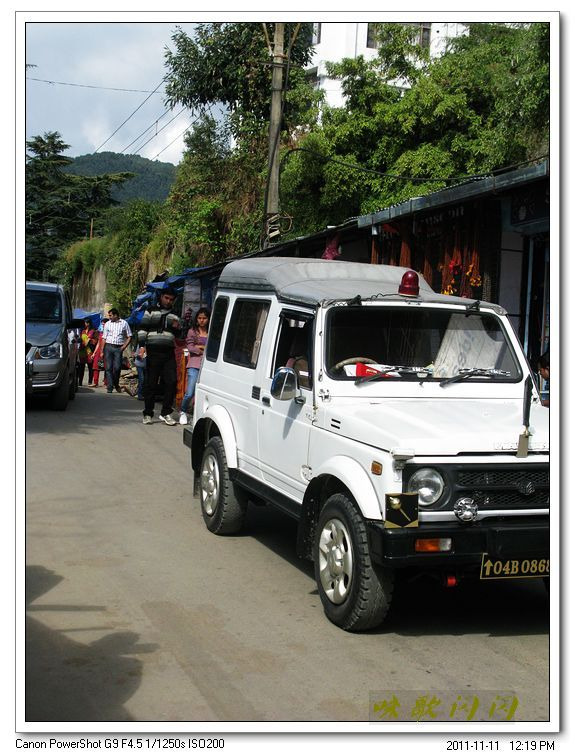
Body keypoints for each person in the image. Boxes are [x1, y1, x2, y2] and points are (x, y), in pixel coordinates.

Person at [137, 287, 182, 425]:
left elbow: (179, 335)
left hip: (168, 352)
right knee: (151, 383)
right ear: (161, 297)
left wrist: (177, 327)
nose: (168, 301)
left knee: (171, 382)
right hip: (153, 351)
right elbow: (143, 328)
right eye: (166, 298)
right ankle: (148, 413)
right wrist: (142, 346)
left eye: (171, 299)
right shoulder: (151, 310)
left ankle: (166, 413)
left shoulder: (175, 314)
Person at [179, 307, 210, 425]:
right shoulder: (192, 331)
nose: (202, 320)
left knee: (201, 394)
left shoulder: (211, 331)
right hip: (194, 364)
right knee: (190, 392)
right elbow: (190, 347)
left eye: (204, 318)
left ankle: (195, 415)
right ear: (196, 319)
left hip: (207, 366)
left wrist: (200, 347)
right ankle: (183, 411)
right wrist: (201, 349)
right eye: (199, 318)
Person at [101, 308, 132, 394]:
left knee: (117, 368)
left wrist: (124, 347)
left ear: (115, 315)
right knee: (108, 368)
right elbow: (104, 338)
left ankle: (116, 383)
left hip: (118, 348)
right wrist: (102, 350)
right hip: (108, 347)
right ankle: (110, 387)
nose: (109, 317)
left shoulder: (124, 323)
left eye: (110, 315)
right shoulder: (107, 324)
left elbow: (129, 336)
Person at [77, 318, 98, 387]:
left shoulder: (92, 331)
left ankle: (90, 382)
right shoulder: (83, 331)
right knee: (81, 367)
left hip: (89, 351)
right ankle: (80, 382)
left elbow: (90, 341)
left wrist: (85, 342)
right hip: (82, 351)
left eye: (85, 323)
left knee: (90, 367)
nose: (84, 324)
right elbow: (81, 339)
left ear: (88, 323)